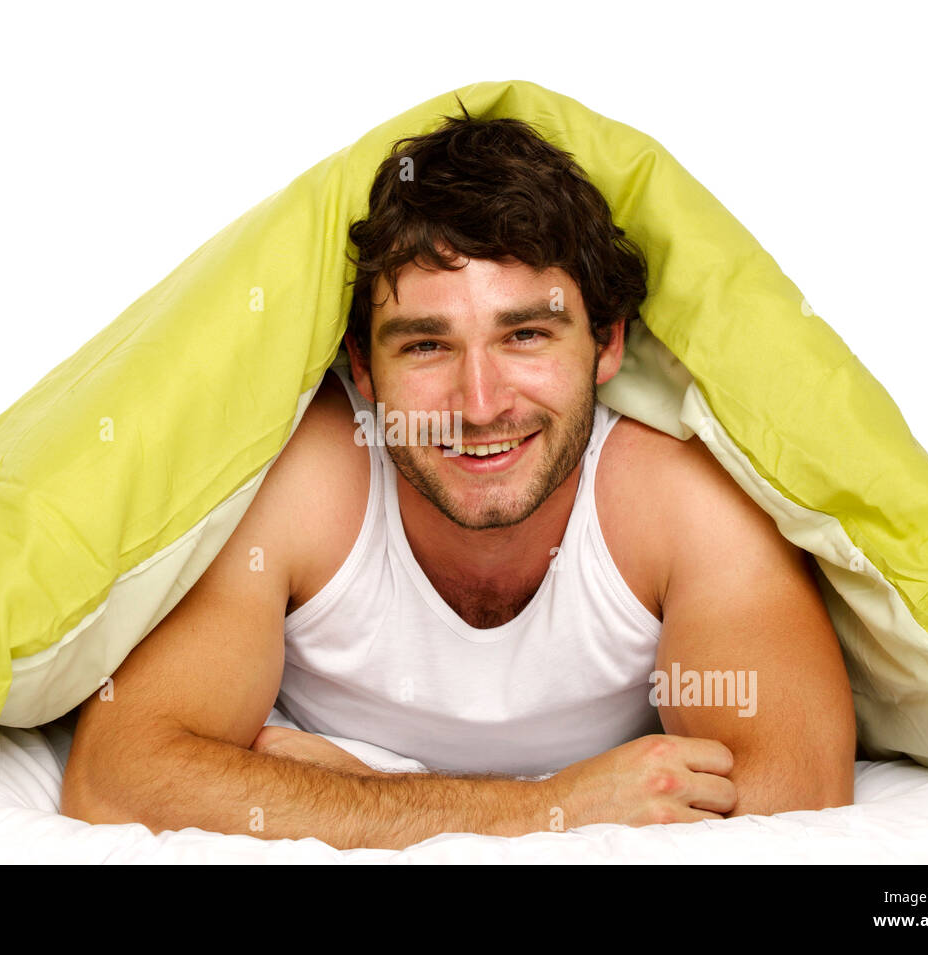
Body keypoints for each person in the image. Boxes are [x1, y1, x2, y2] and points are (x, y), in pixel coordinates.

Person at [60, 108, 856, 850]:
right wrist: (554, 807)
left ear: (607, 343)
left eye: (527, 335)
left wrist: (359, 799)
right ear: (364, 369)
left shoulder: (681, 502)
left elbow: (795, 790)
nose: (480, 406)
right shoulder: (303, 485)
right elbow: (117, 775)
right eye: (426, 346)